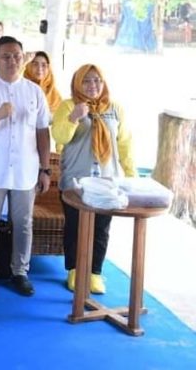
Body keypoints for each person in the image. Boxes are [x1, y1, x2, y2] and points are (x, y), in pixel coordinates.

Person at [0, 36, 51, 297]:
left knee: (24, 222)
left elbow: (42, 132)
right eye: (6, 56)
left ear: (23, 58)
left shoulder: (34, 91)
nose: (12, 61)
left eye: (17, 55)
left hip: (26, 169)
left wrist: (45, 168)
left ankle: (20, 271)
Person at [52, 64, 135, 294]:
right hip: (75, 181)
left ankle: (95, 273)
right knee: (75, 227)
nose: (92, 85)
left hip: (107, 182)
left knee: (101, 228)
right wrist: (74, 118)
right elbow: (59, 137)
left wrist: (131, 175)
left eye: (97, 80)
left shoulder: (115, 108)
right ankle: (74, 270)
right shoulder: (68, 105)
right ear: (78, 83)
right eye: (86, 81)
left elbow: (125, 144)